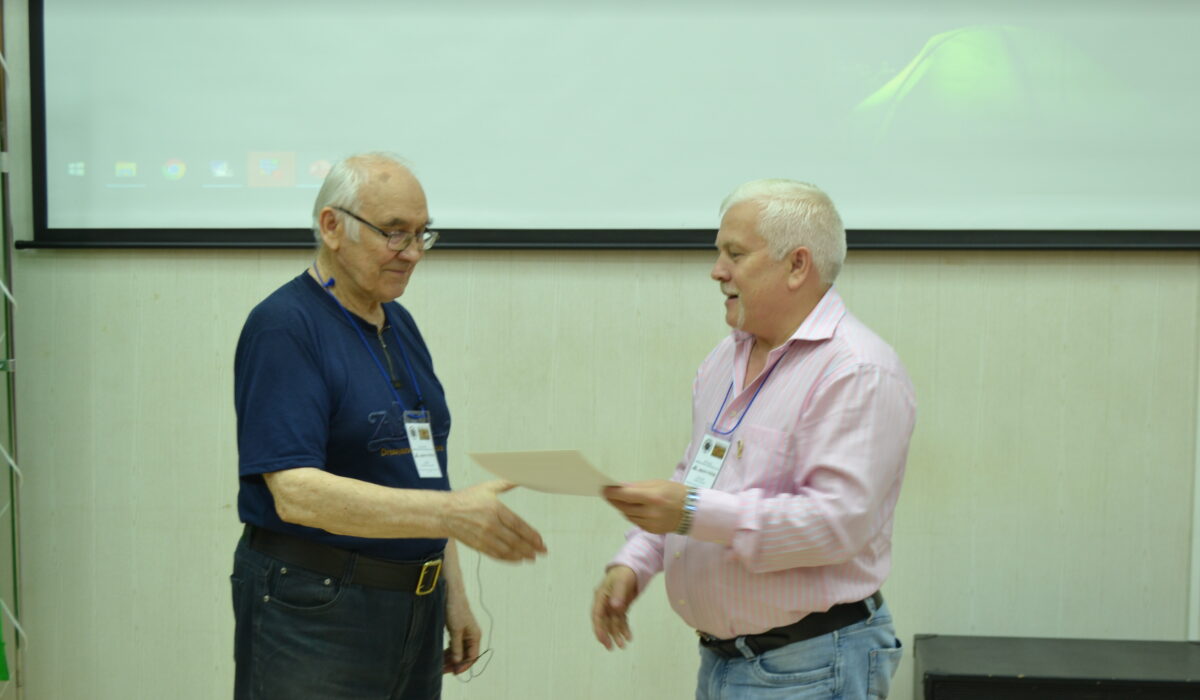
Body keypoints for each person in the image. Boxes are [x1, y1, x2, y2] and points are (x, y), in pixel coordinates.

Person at [231, 152, 546, 700]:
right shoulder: (284, 327)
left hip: (413, 607)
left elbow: (425, 471)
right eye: (395, 233)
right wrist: (451, 513)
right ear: (333, 226)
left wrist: (451, 592)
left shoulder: (399, 325)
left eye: (423, 234)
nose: (414, 253)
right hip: (316, 609)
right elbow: (295, 493)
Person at [592, 179, 915, 699]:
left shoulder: (857, 371)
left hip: (811, 666)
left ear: (797, 265)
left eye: (735, 254)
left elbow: (836, 525)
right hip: (726, 662)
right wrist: (635, 561)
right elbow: (695, 477)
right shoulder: (727, 357)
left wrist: (691, 511)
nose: (717, 270)